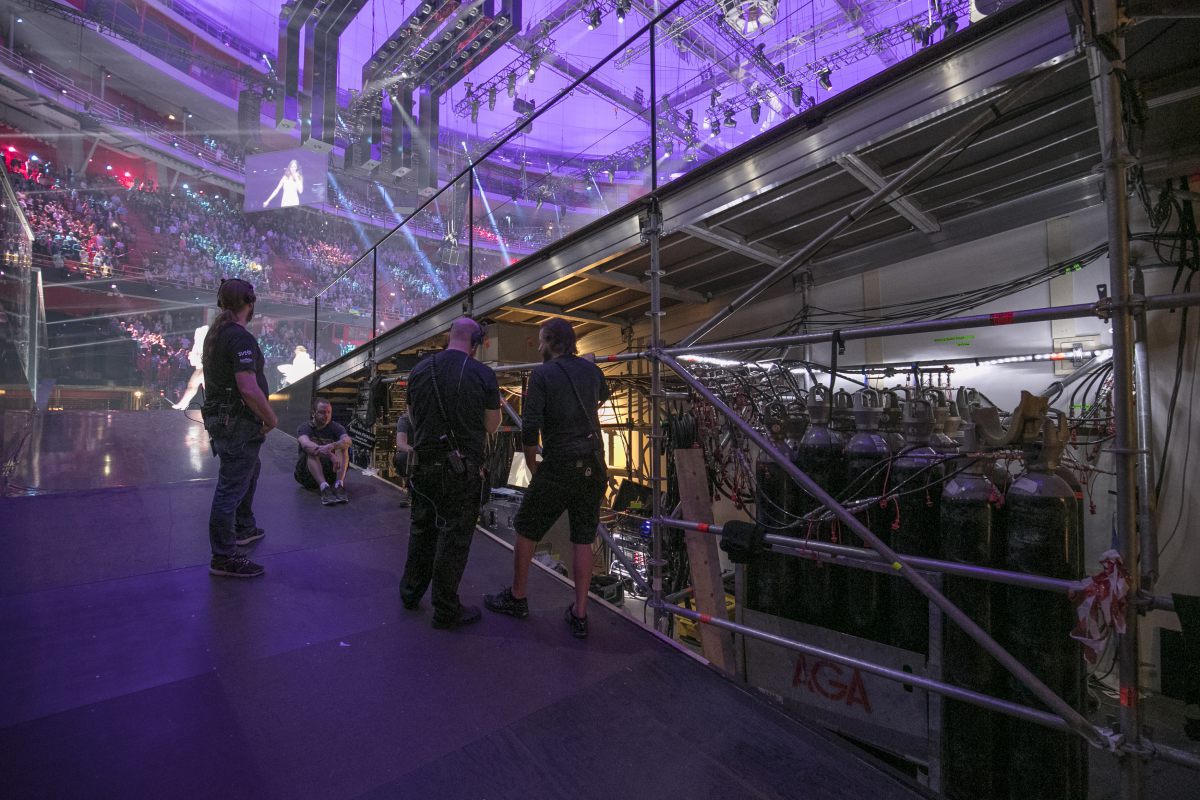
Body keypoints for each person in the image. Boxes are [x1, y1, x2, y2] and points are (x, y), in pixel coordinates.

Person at [484, 318, 609, 639]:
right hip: (594, 464)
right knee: (583, 536)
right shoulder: (591, 371)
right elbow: (601, 397)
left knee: (527, 527)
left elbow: (530, 426)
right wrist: (588, 368)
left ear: (553, 342)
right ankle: (580, 613)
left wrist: (531, 463)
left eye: (541, 341)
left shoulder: (542, 374)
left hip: (559, 464)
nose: (537, 347)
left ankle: (518, 596)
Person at [399, 318, 501, 629]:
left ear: (449, 336)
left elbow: (413, 417)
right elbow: (492, 425)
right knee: (454, 537)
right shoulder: (483, 374)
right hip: (461, 471)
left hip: (424, 467)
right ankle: (445, 608)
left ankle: (410, 592)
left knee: (422, 530)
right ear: (476, 342)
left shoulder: (419, 371)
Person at [200, 278, 276, 578]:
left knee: (250, 469)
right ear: (250, 302)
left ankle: (243, 528)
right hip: (238, 423)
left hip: (224, 420)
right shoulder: (240, 338)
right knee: (230, 488)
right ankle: (223, 557)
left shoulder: (216, 335)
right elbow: (247, 386)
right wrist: (271, 418)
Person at [295, 398, 352, 505]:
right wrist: (331, 455)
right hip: (306, 475)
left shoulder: (336, 427)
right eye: (322, 412)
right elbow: (305, 444)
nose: (326, 415)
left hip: (329, 474)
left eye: (329, 412)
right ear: (313, 413)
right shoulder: (305, 427)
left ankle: (339, 484)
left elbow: (348, 441)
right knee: (312, 450)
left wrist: (333, 445)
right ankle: (324, 488)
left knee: (343, 446)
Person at [173, 323, 209, 410]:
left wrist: (183, 403)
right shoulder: (200, 370)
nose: (188, 356)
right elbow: (191, 388)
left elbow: (192, 388)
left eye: (191, 354)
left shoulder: (203, 370)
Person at [394, 411, 413, 508]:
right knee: (401, 458)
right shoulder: (405, 419)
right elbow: (400, 444)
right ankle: (411, 491)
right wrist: (416, 452)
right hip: (413, 451)